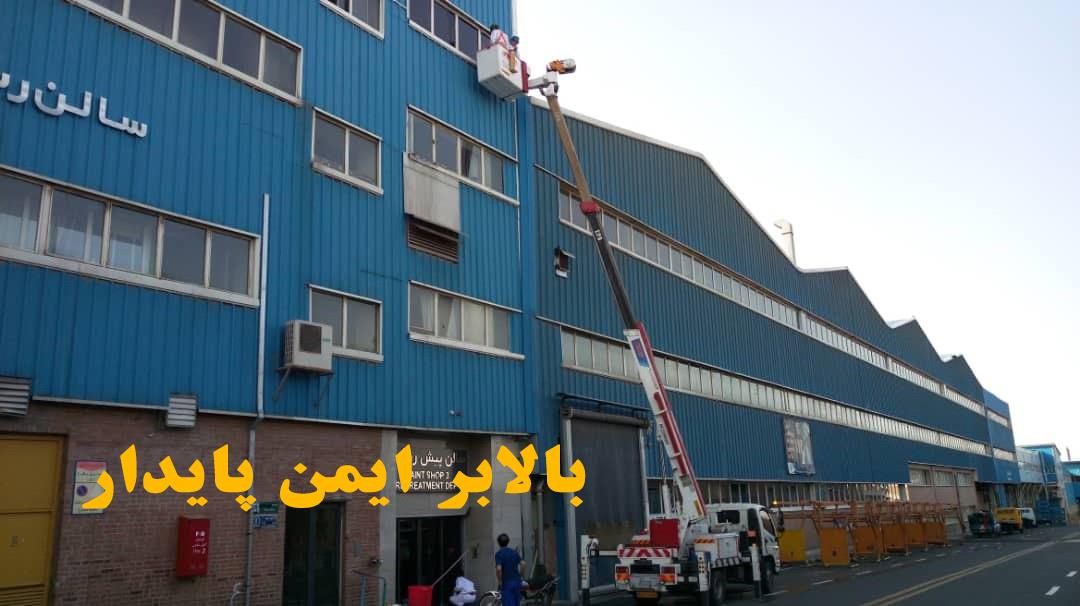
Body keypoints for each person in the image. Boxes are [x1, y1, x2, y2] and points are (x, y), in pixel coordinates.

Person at [494, 533, 524, 606]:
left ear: (498, 543)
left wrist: (500, 581)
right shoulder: (514, 552)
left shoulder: (499, 554)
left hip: (507, 582)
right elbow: (523, 564)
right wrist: (520, 575)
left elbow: (498, 569)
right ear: (508, 542)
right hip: (517, 582)